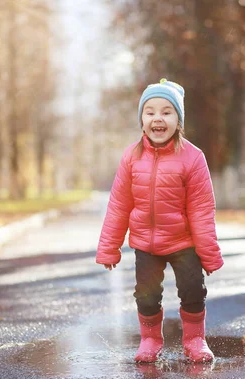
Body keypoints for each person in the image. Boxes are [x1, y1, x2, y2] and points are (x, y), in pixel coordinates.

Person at [96, 78, 224, 363]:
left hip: (184, 242)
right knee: (146, 296)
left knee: (192, 291)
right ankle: (150, 339)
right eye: (150, 111)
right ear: (142, 119)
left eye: (167, 112)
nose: (158, 118)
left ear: (178, 120)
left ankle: (194, 339)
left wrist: (209, 253)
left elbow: (202, 210)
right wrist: (109, 247)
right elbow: (119, 206)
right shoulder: (131, 157)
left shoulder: (193, 158)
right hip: (145, 243)